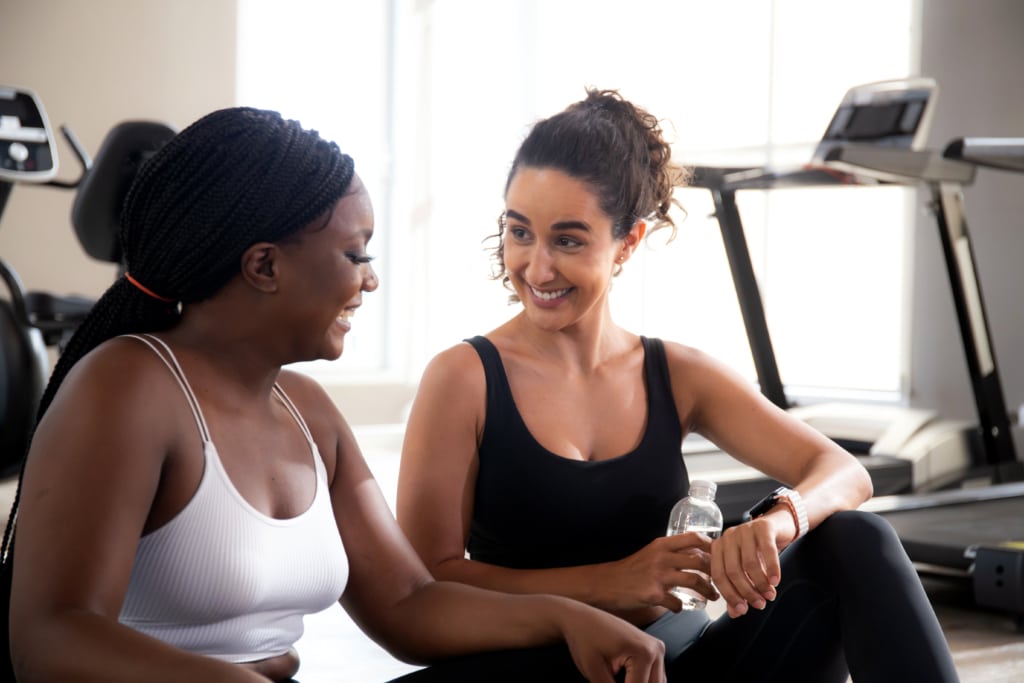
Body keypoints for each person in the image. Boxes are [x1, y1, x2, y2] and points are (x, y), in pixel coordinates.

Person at [0, 106, 669, 683]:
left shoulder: (307, 409)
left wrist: (571, 619)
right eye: (357, 254)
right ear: (265, 265)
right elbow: (52, 639)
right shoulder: (127, 387)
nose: (369, 282)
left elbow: (409, 603)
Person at [396, 88, 961, 682]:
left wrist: (774, 521)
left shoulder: (676, 374)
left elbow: (845, 472)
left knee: (856, 539)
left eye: (568, 240)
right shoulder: (464, 378)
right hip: (537, 668)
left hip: (678, 664)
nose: (537, 268)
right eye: (519, 232)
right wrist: (610, 585)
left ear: (628, 242)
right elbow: (429, 583)